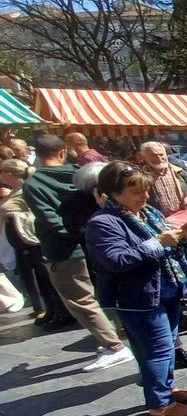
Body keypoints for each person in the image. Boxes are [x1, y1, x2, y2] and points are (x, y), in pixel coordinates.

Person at [85, 161, 187, 416]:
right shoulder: (103, 222)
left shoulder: (148, 213)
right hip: (138, 296)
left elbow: (166, 244)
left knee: (167, 345)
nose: (145, 196)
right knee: (157, 349)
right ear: (114, 192)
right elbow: (115, 260)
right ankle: (160, 404)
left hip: (167, 289)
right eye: (136, 191)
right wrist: (158, 243)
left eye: (145, 189)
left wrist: (181, 235)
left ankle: (166, 388)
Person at [23, 135, 135, 372]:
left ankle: (114, 346)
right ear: (63, 151)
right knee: (106, 291)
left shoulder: (34, 184)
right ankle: (121, 332)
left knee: (81, 299)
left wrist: (77, 233)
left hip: (66, 249)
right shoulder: (85, 172)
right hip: (100, 242)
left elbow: (50, 219)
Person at [0, 158, 69, 326]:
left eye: (1, 171)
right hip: (22, 243)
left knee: (45, 276)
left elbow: (36, 212)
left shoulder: (26, 189)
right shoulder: (14, 190)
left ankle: (61, 311)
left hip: (34, 241)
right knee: (35, 277)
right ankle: (49, 309)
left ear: (9, 174)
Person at [139, 142, 187, 216]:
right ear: (144, 157)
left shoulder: (179, 172)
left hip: (184, 217)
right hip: (159, 222)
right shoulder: (141, 176)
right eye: (154, 155)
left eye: (161, 154)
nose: (159, 158)